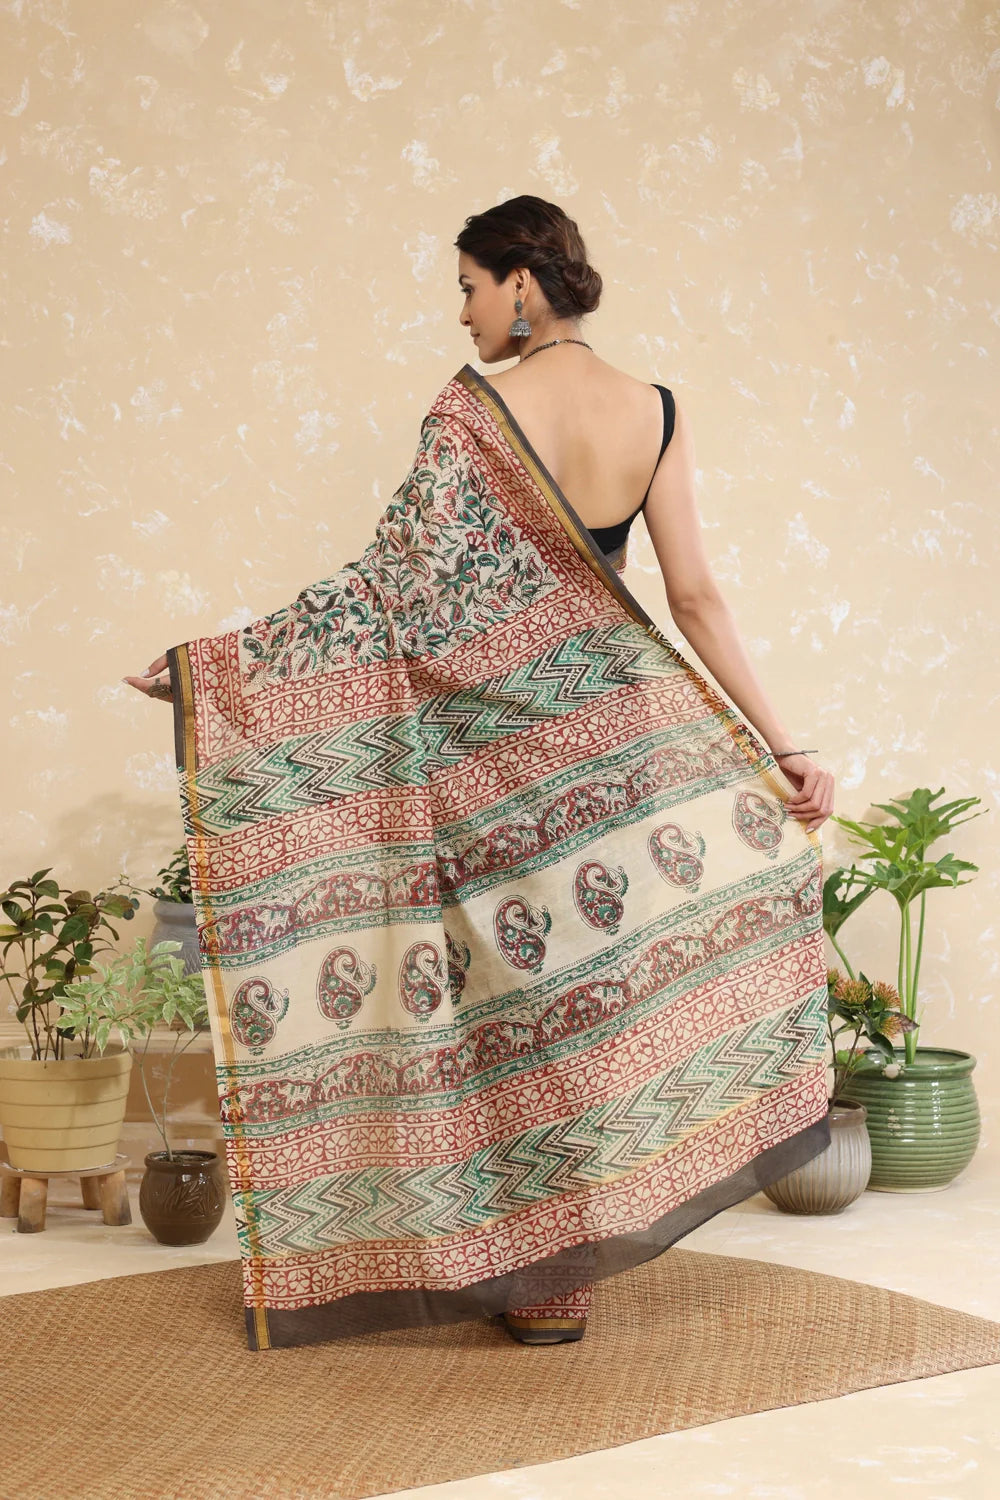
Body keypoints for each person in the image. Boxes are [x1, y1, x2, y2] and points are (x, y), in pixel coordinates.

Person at [125, 194, 835, 1351]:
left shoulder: (472, 414)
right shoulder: (655, 409)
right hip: (616, 749)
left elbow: (383, 594)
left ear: (520, 280)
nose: (460, 314)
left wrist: (217, 672)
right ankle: (570, 1270)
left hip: (495, 759)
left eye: (466, 286)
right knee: (594, 1013)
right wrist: (784, 746)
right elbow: (695, 597)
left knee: (518, 1014)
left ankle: (535, 1270)